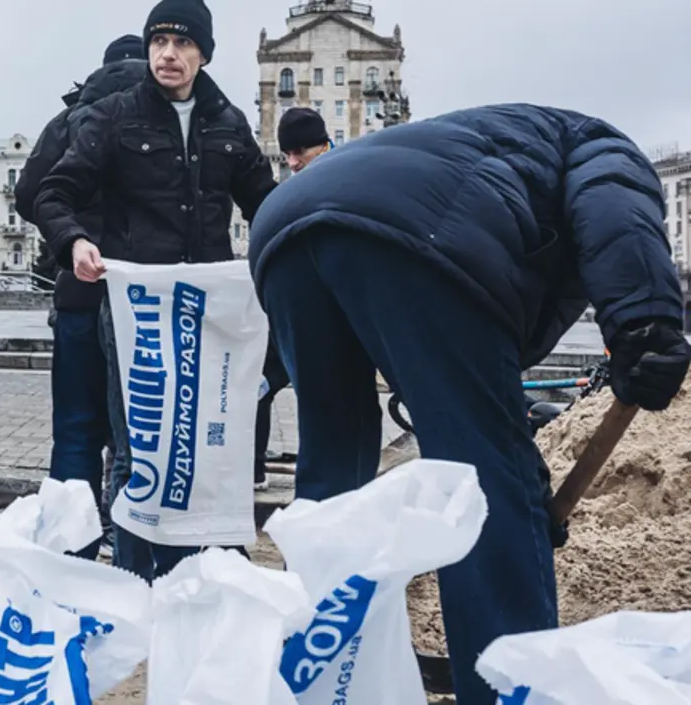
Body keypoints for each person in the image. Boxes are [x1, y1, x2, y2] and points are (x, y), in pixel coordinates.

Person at [247, 103, 691, 704]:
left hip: (285, 231)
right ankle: (505, 686)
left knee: (334, 481)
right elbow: (616, 210)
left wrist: (521, 469)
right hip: (414, 234)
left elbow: (455, 376)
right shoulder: (599, 142)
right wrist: (647, 323)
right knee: (485, 483)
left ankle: (320, 681)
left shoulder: (478, 148)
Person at [34, 0, 277, 581]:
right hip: (135, 310)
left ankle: (205, 562)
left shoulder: (228, 123)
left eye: (182, 43)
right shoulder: (115, 115)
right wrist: (74, 242)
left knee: (203, 442)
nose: (168, 55)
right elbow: (51, 192)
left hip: (205, 311)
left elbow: (266, 205)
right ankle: (137, 574)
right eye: (159, 42)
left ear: (203, 54)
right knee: (138, 443)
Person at [16, 33, 147, 561]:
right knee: (137, 430)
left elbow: (29, 195)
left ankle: (71, 551)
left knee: (75, 429)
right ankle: (135, 544)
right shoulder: (164, 116)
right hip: (144, 298)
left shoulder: (69, 119)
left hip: (77, 293)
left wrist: (70, 233)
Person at [253, 106, 333, 489]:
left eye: (301, 150)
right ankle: (253, 470)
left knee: (324, 400)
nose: (293, 161)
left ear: (324, 144)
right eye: (287, 153)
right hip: (287, 317)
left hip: (329, 319)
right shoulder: (291, 190)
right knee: (258, 387)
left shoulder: (340, 181)